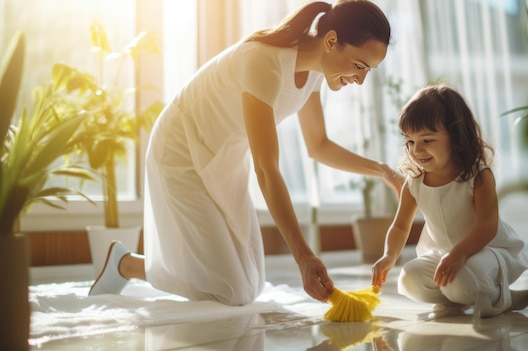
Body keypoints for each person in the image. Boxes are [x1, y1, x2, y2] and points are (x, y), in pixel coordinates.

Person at [88, 0, 402, 306]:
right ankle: (126, 264)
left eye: (368, 71)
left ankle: (126, 263)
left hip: (223, 157)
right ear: (331, 41)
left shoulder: (316, 73)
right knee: (230, 291)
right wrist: (304, 256)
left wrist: (383, 171)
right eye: (359, 66)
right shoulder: (264, 60)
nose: (360, 80)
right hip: (180, 150)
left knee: (250, 284)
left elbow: (318, 145)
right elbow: (266, 168)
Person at [371, 84, 528, 318]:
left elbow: (488, 227)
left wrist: (460, 253)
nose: (416, 150)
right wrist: (389, 256)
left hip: (486, 250)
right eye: (410, 141)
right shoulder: (414, 183)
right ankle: (457, 299)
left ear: (455, 136)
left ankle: (504, 297)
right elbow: (401, 226)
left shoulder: (478, 176)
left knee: (460, 282)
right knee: (410, 279)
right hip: (445, 254)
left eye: (427, 140)